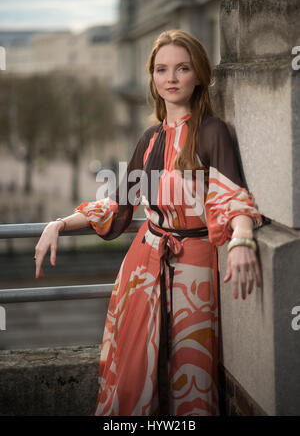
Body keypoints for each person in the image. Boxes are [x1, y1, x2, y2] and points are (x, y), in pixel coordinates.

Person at [34, 29, 264, 416]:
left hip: (194, 271)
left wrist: (242, 240)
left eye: (182, 68)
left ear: (199, 76)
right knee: (136, 371)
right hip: (142, 266)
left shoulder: (212, 132)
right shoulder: (150, 138)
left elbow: (233, 199)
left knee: (192, 373)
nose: (171, 78)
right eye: (161, 70)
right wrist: (58, 223)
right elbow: (118, 206)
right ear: (153, 79)